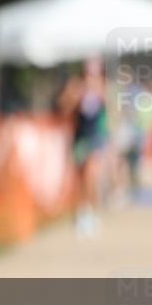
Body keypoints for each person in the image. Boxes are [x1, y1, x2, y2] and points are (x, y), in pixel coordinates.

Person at [58, 58, 110, 238]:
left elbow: (112, 108)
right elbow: (64, 108)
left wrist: (100, 92)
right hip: (80, 136)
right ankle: (82, 212)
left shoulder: (103, 86)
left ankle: (91, 212)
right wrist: (75, 96)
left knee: (91, 175)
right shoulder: (76, 85)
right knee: (80, 178)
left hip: (96, 137)